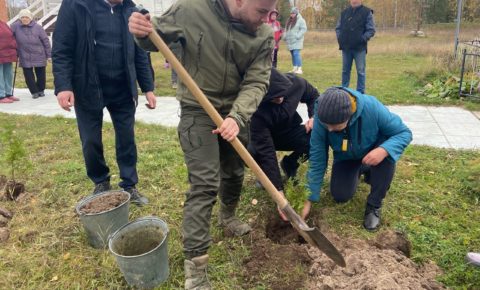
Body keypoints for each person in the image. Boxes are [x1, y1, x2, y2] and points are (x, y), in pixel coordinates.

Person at [128, 0, 277, 288]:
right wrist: (141, 31)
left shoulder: (263, 35)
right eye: (261, 11)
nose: (265, 19)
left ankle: (228, 215)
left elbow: (258, 81)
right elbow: (153, 37)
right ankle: (195, 270)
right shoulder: (192, 9)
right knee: (205, 184)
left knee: (234, 173)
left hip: (236, 110)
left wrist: (237, 116)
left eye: (270, 12)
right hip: (198, 109)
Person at [52, 0, 156, 205]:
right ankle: (100, 182)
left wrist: (148, 88)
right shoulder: (76, 5)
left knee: (127, 138)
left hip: (123, 87)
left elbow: (140, 52)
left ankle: (129, 184)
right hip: (87, 87)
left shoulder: (131, 10)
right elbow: (62, 48)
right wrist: (64, 86)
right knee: (90, 141)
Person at [306, 87, 412, 231]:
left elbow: (403, 133)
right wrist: (309, 198)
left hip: (374, 151)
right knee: (340, 195)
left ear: (349, 116)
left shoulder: (372, 108)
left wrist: (384, 150)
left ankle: (374, 205)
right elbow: (318, 157)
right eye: (327, 126)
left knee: (387, 152)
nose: (329, 130)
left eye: (335, 126)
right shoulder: (321, 115)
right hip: (346, 157)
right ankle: (364, 167)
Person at [248, 68, 318, 220]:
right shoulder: (256, 111)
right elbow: (266, 152)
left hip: (289, 131)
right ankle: (266, 176)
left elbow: (313, 96)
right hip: (264, 136)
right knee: (252, 152)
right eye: (273, 98)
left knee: (314, 138)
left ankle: (290, 164)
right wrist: (278, 192)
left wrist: (314, 116)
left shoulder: (296, 83)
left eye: (281, 95)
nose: (279, 99)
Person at [335, 0, 375, 94]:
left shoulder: (367, 12)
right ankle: (344, 91)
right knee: (345, 71)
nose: (354, 1)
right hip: (346, 48)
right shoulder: (344, 13)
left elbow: (371, 30)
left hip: (359, 48)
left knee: (360, 71)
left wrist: (362, 39)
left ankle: (360, 93)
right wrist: (340, 39)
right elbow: (338, 28)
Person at [10, 9, 51, 99]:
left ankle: (41, 90)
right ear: (20, 18)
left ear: (31, 18)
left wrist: (49, 55)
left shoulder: (38, 27)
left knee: (41, 74)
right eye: (23, 17)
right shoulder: (15, 26)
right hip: (24, 54)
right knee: (28, 75)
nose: (25, 19)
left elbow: (45, 41)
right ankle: (34, 91)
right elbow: (10, 38)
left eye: (27, 17)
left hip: (39, 53)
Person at [0, 20, 18, 103]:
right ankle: (1, 95)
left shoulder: (3, 23)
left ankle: (8, 93)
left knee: (9, 74)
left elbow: (11, 36)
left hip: (8, 53)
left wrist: (14, 46)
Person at [284, 7, 307, 74]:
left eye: (293, 13)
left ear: (296, 13)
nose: (291, 14)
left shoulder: (301, 20)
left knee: (296, 53)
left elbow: (304, 29)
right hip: (290, 41)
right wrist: (285, 36)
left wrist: (298, 36)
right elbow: (286, 29)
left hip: (297, 40)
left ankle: (300, 69)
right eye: (291, 13)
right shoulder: (289, 21)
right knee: (292, 54)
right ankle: (295, 68)